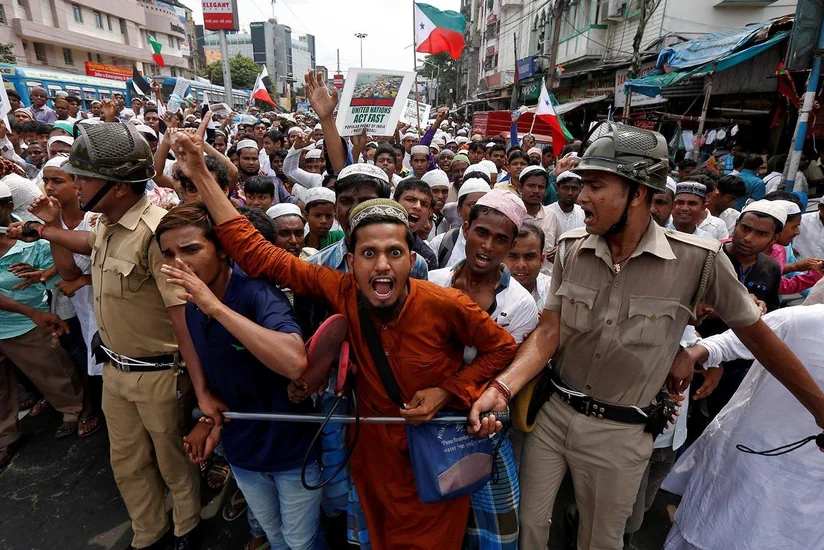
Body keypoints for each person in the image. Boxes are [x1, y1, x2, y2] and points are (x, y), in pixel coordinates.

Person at [467, 122, 824, 550]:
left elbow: (761, 339)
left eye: (596, 185)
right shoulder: (571, 249)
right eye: (582, 185)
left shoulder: (699, 261)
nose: (582, 197)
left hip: (621, 433)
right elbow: (549, 331)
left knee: (600, 541)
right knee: (529, 530)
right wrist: (503, 388)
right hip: (553, 415)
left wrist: (820, 409)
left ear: (637, 193)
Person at [172, 128, 518, 550]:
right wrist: (203, 178)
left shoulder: (447, 304)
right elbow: (257, 253)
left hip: (433, 453)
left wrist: (448, 391)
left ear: (413, 258)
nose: (382, 266)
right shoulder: (339, 289)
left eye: (394, 252)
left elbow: (502, 348)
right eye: (369, 254)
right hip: (371, 450)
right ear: (350, 262)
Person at [7, 123, 207, 549]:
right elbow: (82, 244)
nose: (75, 184)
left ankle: (188, 525)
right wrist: (44, 228)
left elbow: (182, 319)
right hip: (114, 370)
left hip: (160, 375)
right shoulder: (107, 223)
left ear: (117, 186)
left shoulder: (159, 234)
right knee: (127, 462)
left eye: (83, 176)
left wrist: (203, 393)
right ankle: (148, 531)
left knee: (173, 462)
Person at [157, 203, 327, 550]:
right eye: (169, 254)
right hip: (243, 452)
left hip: (292, 451)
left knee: (300, 540)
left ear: (223, 249)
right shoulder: (192, 307)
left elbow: (294, 362)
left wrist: (216, 308)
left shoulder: (257, 293)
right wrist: (208, 411)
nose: (179, 263)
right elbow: (207, 366)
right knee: (274, 535)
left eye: (191, 250)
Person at [663, 300, 824, 550]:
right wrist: (697, 352)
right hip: (753, 464)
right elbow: (736, 339)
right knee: (712, 535)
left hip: (812, 491)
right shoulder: (805, 321)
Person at [429, 190, 537, 550]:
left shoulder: (519, 303)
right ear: (466, 229)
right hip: (428, 426)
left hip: (483, 430)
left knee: (496, 530)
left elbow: (502, 375)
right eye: (481, 232)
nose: (487, 246)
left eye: (500, 239)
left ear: (510, 245)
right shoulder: (434, 282)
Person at [0, 178, 84, 468]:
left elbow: (65, 266)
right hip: (17, 318)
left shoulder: (29, 237)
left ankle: (74, 409)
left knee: (51, 370)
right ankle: (6, 436)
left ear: (8, 207)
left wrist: (43, 274)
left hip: (29, 321)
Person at [687, 200, 785, 440]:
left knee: (724, 420)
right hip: (698, 355)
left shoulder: (770, 268)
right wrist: (729, 309)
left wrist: (761, 308)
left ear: (774, 239)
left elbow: (771, 310)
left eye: (761, 234)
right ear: (736, 225)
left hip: (740, 360)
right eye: (745, 228)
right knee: (691, 419)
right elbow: (686, 308)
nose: (749, 238)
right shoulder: (708, 257)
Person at [429, 178, 490, 269]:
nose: (479, 211)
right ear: (459, 210)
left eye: (485, 206)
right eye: (472, 205)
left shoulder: (498, 246)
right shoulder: (441, 243)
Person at [518, 165, 562, 270]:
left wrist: (557, 251)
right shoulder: (513, 216)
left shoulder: (551, 215)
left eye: (541, 187)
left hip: (547, 278)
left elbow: (560, 244)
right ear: (520, 188)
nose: (536, 191)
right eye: (531, 186)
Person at [393, 178, 439, 270]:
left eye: (424, 204)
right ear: (394, 203)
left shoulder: (427, 256)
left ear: (428, 215)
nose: (418, 207)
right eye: (410, 200)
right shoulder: (371, 238)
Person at [505, 223, 551, 309]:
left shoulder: (553, 292)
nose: (521, 265)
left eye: (529, 257)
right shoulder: (485, 293)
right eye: (513, 256)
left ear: (541, 260)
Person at [547, 170, 586, 235]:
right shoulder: (547, 213)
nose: (570, 193)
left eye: (574, 189)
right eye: (565, 188)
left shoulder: (584, 213)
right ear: (557, 190)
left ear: (580, 190)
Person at [422, 169, 451, 239]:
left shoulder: (446, 220)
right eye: (435, 191)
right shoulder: (418, 219)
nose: (440, 196)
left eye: (444, 191)